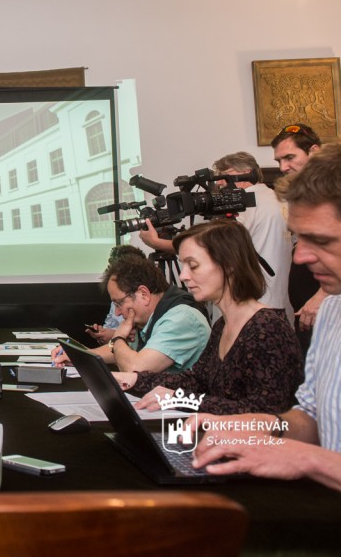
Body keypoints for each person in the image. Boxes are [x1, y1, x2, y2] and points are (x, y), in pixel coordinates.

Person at [193, 142, 341, 512]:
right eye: (298, 237)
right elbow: (311, 416)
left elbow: (313, 453)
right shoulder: (334, 310)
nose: (301, 256)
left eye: (321, 240)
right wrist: (252, 426)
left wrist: (309, 460)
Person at [116, 219, 302, 415]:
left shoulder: (267, 328)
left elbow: (265, 414)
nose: (183, 276)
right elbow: (198, 379)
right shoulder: (223, 325)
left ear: (228, 265)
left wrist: (180, 399)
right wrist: (134, 379)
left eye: (193, 266)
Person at [140, 152, 291, 318]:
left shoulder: (246, 203)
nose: (219, 182)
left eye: (225, 174)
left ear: (246, 172)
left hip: (248, 303)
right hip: (277, 299)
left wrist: (157, 243)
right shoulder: (277, 199)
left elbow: (211, 248)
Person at [52, 256, 210, 373]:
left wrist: (118, 337)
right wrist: (80, 355)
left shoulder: (181, 319)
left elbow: (136, 368)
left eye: (119, 303)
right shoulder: (152, 317)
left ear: (143, 294)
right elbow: (123, 353)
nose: (117, 312)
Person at [271, 123, 326, 340]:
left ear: (314, 151)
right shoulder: (303, 193)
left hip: (325, 305)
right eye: (279, 161)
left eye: (289, 157)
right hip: (305, 308)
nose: (283, 167)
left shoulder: (336, 191)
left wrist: (322, 295)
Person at [85, 244, 147, 345]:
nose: (117, 312)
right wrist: (104, 333)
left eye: (113, 264)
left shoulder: (139, 302)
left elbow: (137, 344)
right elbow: (110, 325)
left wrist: (115, 336)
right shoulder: (118, 297)